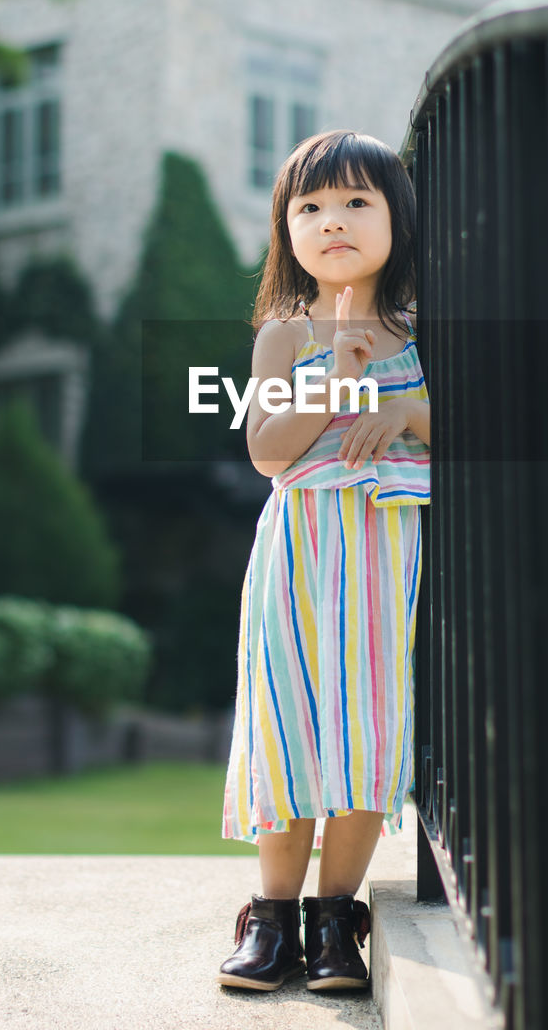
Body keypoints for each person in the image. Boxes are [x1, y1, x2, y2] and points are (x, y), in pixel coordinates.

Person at [217, 130, 431, 993]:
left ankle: (335, 916)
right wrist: (333, 378)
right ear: (286, 230)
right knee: (292, 722)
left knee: (369, 727)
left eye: (354, 202)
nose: (330, 221)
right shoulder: (284, 334)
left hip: (386, 556)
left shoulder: (420, 332)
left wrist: (409, 410)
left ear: (395, 220)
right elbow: (267, 453)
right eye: (309, 207)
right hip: (300, 555)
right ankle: (271, 917)